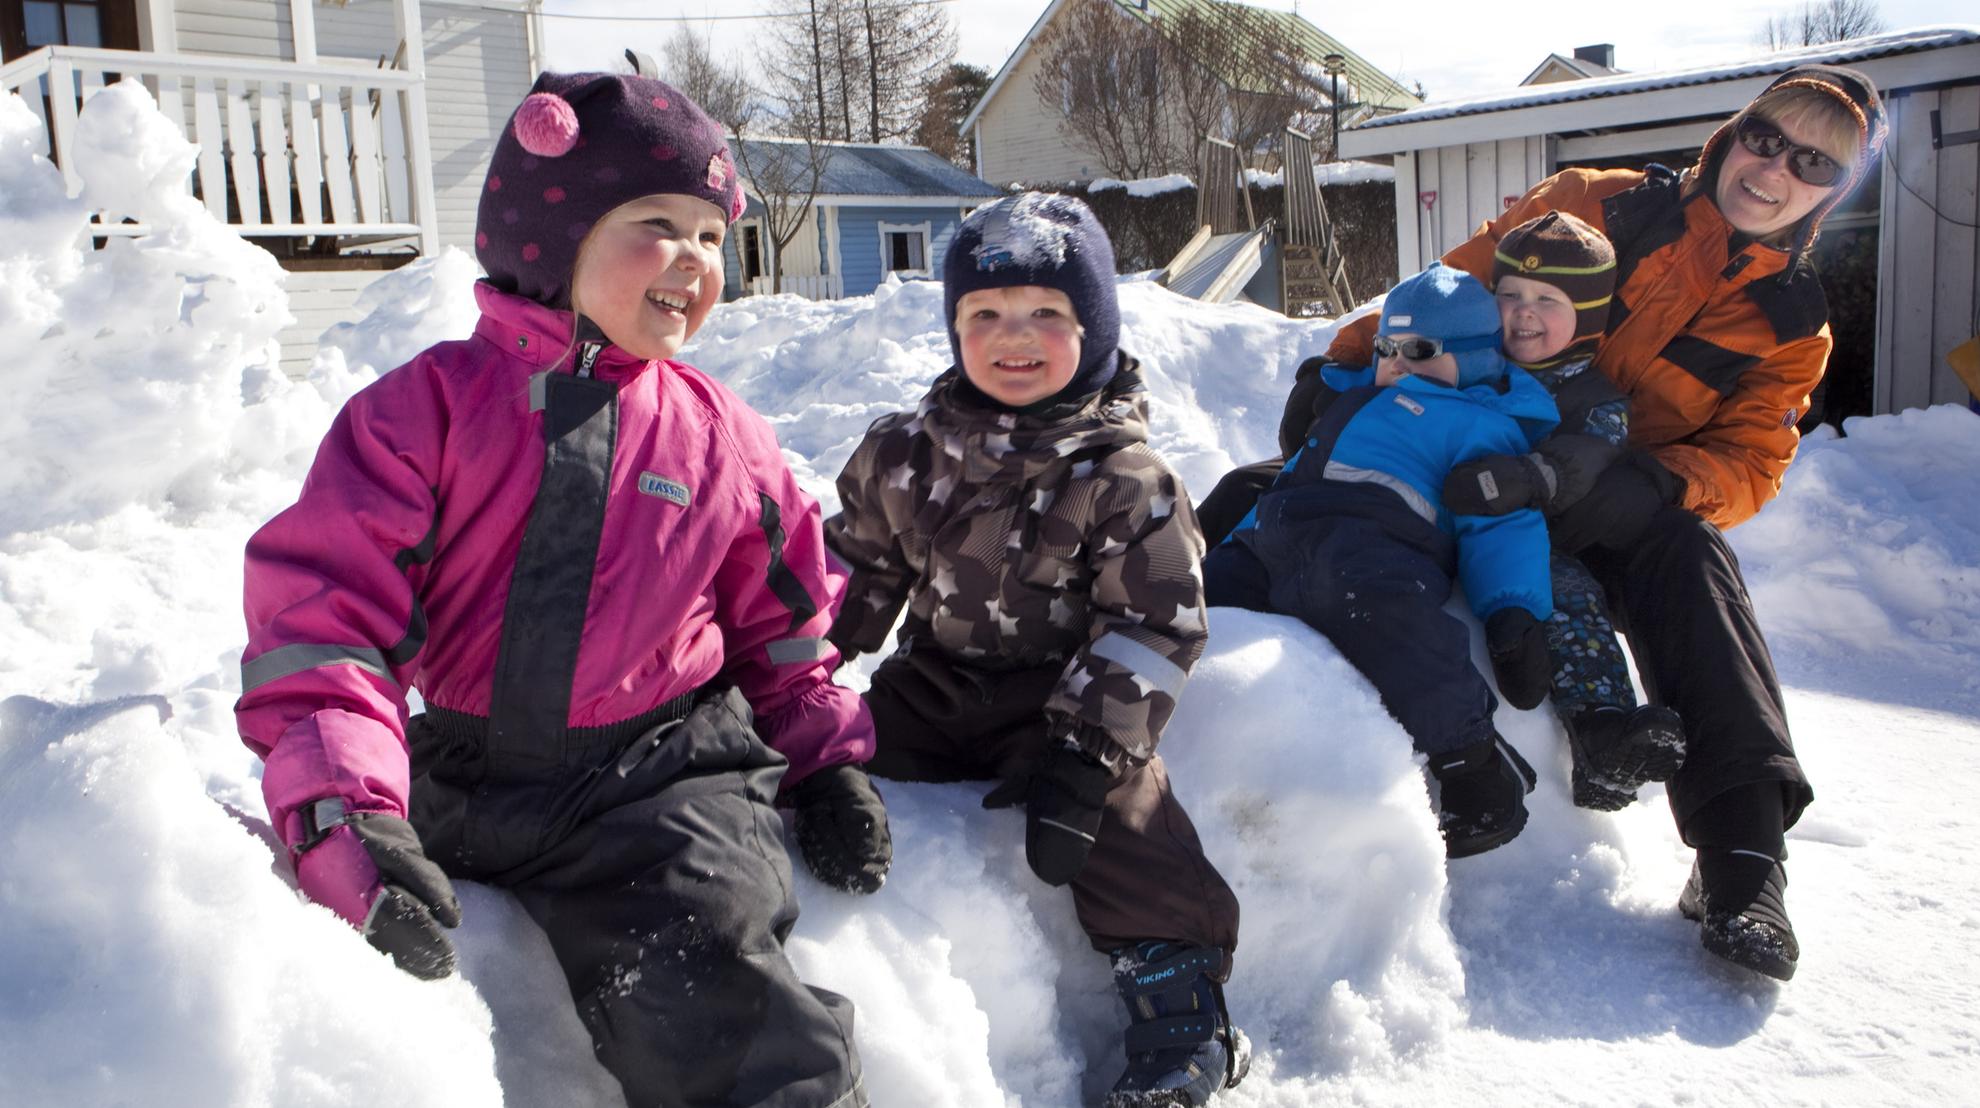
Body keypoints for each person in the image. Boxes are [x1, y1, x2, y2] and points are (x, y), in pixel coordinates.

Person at [237, 73, 889, 1107]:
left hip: (665, 781)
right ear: (554, 236)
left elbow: (787, 625)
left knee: (711, 983)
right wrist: (344, 808)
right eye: (656, 224)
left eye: (712, 235)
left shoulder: (721, 436)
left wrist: (824, 761)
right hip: (467, 771)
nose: (694, 259)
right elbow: (325, 620)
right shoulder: (425, 415)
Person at [1201, 64, 1888, 981]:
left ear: (1833, 192)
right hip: (1464, 449)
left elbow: (1753, 461)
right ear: (1734, 134)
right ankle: (1135, 644)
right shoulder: (1594, 203)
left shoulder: (1792, 323)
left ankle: (1743, 861)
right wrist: (1345, 364)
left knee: (1695, 558)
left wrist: (1652, 483)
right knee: (1265, 490)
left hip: (1612, 499)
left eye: (1812, 162)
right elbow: (1451, 286)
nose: (1775, 170)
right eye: (1768, 138)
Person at [824, 193, 1248, 1108]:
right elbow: (848, 573)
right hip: (929, 691)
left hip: (1061, 703)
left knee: (1129, 820)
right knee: (806, 769)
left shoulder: (1127, 479)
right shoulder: (904, 454)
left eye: (1046, 315)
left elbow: (1155, 624)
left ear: (1093, 328)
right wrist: (786, 677)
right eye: (985, 314)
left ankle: (1182, 1009)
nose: (1013, 336)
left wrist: (1085, 753)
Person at [1203, 263, 1560, 858]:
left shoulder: (1479, 425)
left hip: (1380, 543)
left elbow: (1501, 525)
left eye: (1418, 349)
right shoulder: (1355, 399)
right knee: (1194, 601)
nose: (1396, 361)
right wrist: (1236, 540)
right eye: (1387, 347)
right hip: (1280, 535)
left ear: (1471, 359)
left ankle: (1475, 764)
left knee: (1393, 627)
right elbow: (1288, 480)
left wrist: (1512, 613)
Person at [1443, 210, 1686, 811]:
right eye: (1510, 295)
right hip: (1438, 519)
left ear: (1588, 316)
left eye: (1548, 300)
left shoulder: (1594, 394)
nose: (1524, 312)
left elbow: (1592, 454)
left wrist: (1531, 476)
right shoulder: (1467, 365)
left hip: (1527, 541)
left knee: (1571, 593)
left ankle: (1602, 734)